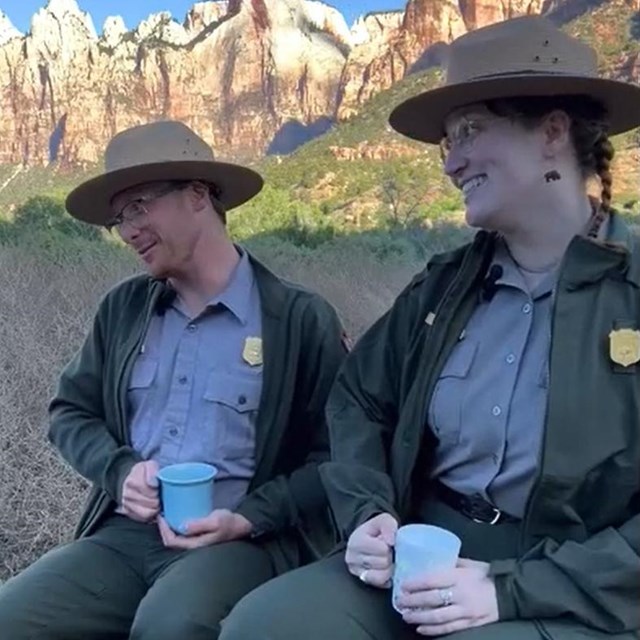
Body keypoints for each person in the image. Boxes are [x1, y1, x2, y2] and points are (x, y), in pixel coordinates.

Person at [218, 16, 640, 640]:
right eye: (448, 143)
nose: (451, 164)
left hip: (571, 582)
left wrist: (512, 590)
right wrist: (368, 512)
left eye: (470, 131)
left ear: (553, 131)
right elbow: (359, 398)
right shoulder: (442, 288)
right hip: (420, 551)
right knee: (263, 626)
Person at [0, 120, 347, 639]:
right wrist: (120, 472)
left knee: (169, 626)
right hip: (124, 536)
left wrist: (250, 516)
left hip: (241, 541)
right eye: (120, 218)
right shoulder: (123, 309)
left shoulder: (298, 318)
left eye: (139, 206)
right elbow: (69, 413)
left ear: (197, 194)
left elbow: (337, 456)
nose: (128, 230)